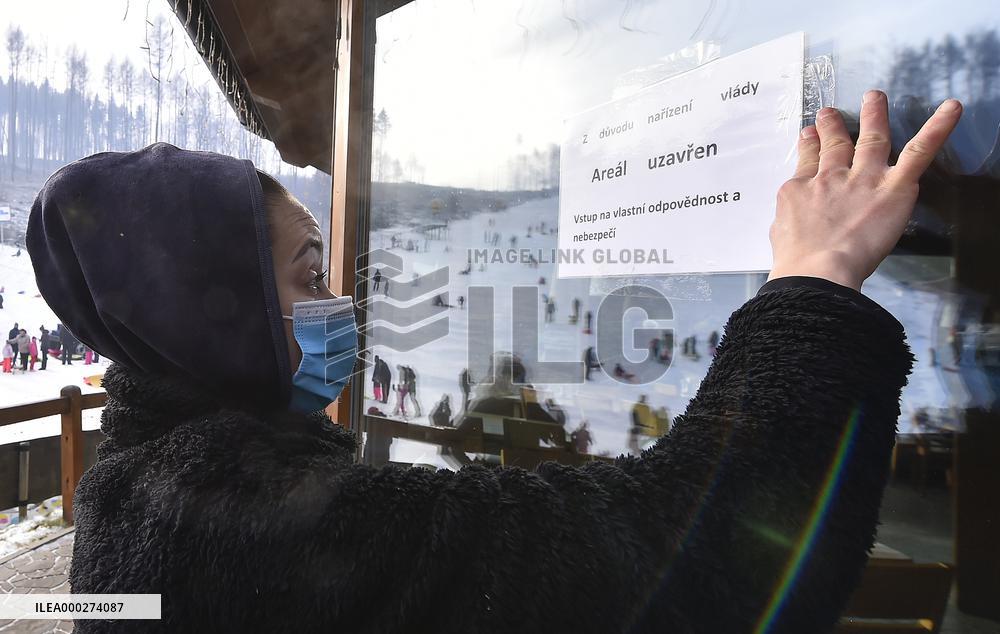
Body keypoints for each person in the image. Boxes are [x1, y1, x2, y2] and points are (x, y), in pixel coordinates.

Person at [31, 92, 962, 632]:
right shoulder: (231, 516)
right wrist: (816, 284)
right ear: (207, 307)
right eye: (309, 272)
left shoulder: (143, 483)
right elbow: (691, 560)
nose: (340, 305)